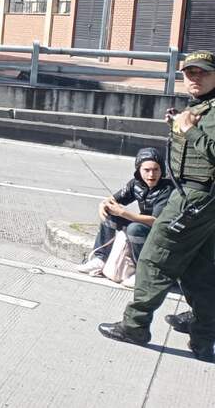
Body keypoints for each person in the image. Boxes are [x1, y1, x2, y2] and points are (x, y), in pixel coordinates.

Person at [99, 50, 215, 363]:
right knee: (199, 269)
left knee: (154, 257)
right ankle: (204, 338)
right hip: (202, 200)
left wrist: (189, 131)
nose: (194, 78)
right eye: (190, 72)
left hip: (195, 198)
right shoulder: (202, 107)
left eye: (202, 72)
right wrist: (179, 129)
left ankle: (135, 326)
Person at [77, 148, 173, 287]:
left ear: (162, 170)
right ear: (138, 170)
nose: (151, 174)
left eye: (156, 169)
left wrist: (123, 213)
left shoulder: (167, 189)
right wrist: (103, 205)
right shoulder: (135, 184)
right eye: (146, 170)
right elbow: (111, 201)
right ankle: (100, 259)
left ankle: (141, 273)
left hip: (161, 230)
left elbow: (155, 221)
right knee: (110, 215)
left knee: (134, 229)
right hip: (142, 223)